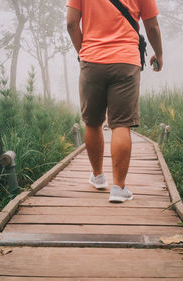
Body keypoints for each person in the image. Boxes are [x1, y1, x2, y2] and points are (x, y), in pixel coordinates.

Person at [66, 0, 163, 203]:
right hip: (126, 61)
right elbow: (152, 25)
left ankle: (99, 177)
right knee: (121, 125)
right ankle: (118, 188)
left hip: (92, 59)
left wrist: (83, 52)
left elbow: (71, 24)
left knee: (92, 122)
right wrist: (159, 54)